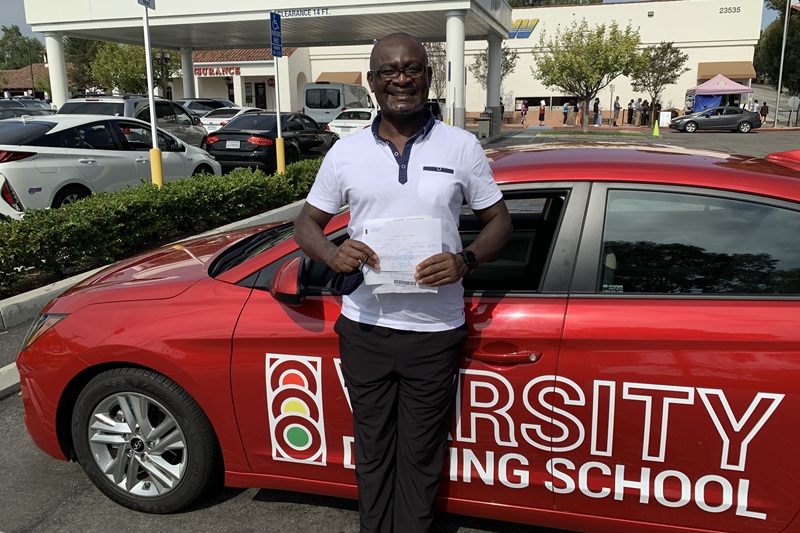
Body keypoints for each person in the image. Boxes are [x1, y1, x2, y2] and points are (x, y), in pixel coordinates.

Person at [293, 32, 512, 533]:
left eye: (411, 68)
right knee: (371, 451)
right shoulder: (345, 153)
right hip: (364, 327)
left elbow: (499, 221)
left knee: (419, 454)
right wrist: (332, 252)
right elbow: (306, 225)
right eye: (389, 71)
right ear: (372, 82)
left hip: (434, 331)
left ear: (427, 77)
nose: (401, 79)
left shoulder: (461, 145)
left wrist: (465, 261)